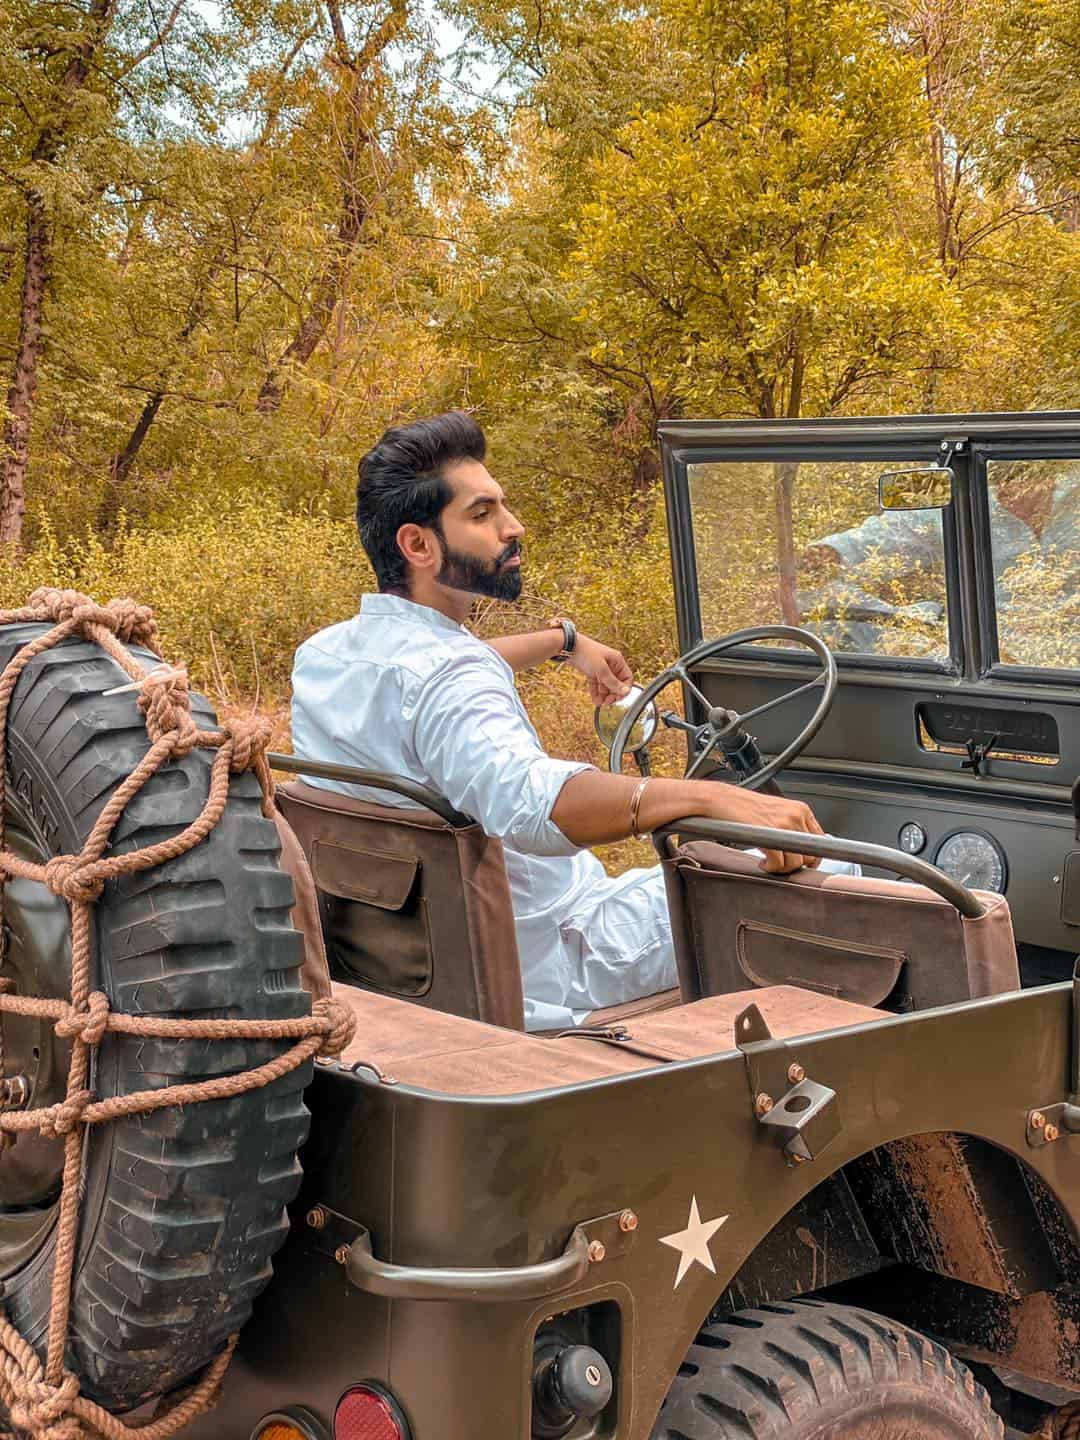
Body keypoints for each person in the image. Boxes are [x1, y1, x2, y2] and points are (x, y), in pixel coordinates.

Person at [291, 411, 834, 1031]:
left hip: (412, 964)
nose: (512, 527)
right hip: (563, 955)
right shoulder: (450, 678)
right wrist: (714, 796)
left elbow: (430, 681)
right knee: (837, 872)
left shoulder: (327, 657)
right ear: (418, 545)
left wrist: (564, 641)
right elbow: (533, 804)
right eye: (482, 514)